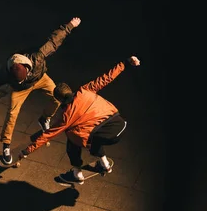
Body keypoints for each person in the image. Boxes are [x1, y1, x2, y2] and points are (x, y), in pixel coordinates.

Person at [0, 17, 82, 165]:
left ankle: (44, 118)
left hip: (41, 79)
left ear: (28, 68)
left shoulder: (37, 56)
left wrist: (70, 26)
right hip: (20, 91)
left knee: (57, 96)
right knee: (12, 113)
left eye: (23, 78)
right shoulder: (5, 73)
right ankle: (6, 146)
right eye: (18, 80)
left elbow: (54, 41)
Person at [18, 55, 141, 184]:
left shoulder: (67, 117)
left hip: (106, 135)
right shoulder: (85, 90)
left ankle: (77, 173)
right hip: (119, 124)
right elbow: (106, 78)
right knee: (91, 132)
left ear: (60, 100)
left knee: (72, 135)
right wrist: (125, 63)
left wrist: (27, 150)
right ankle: (104, 163)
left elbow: (48, 135)